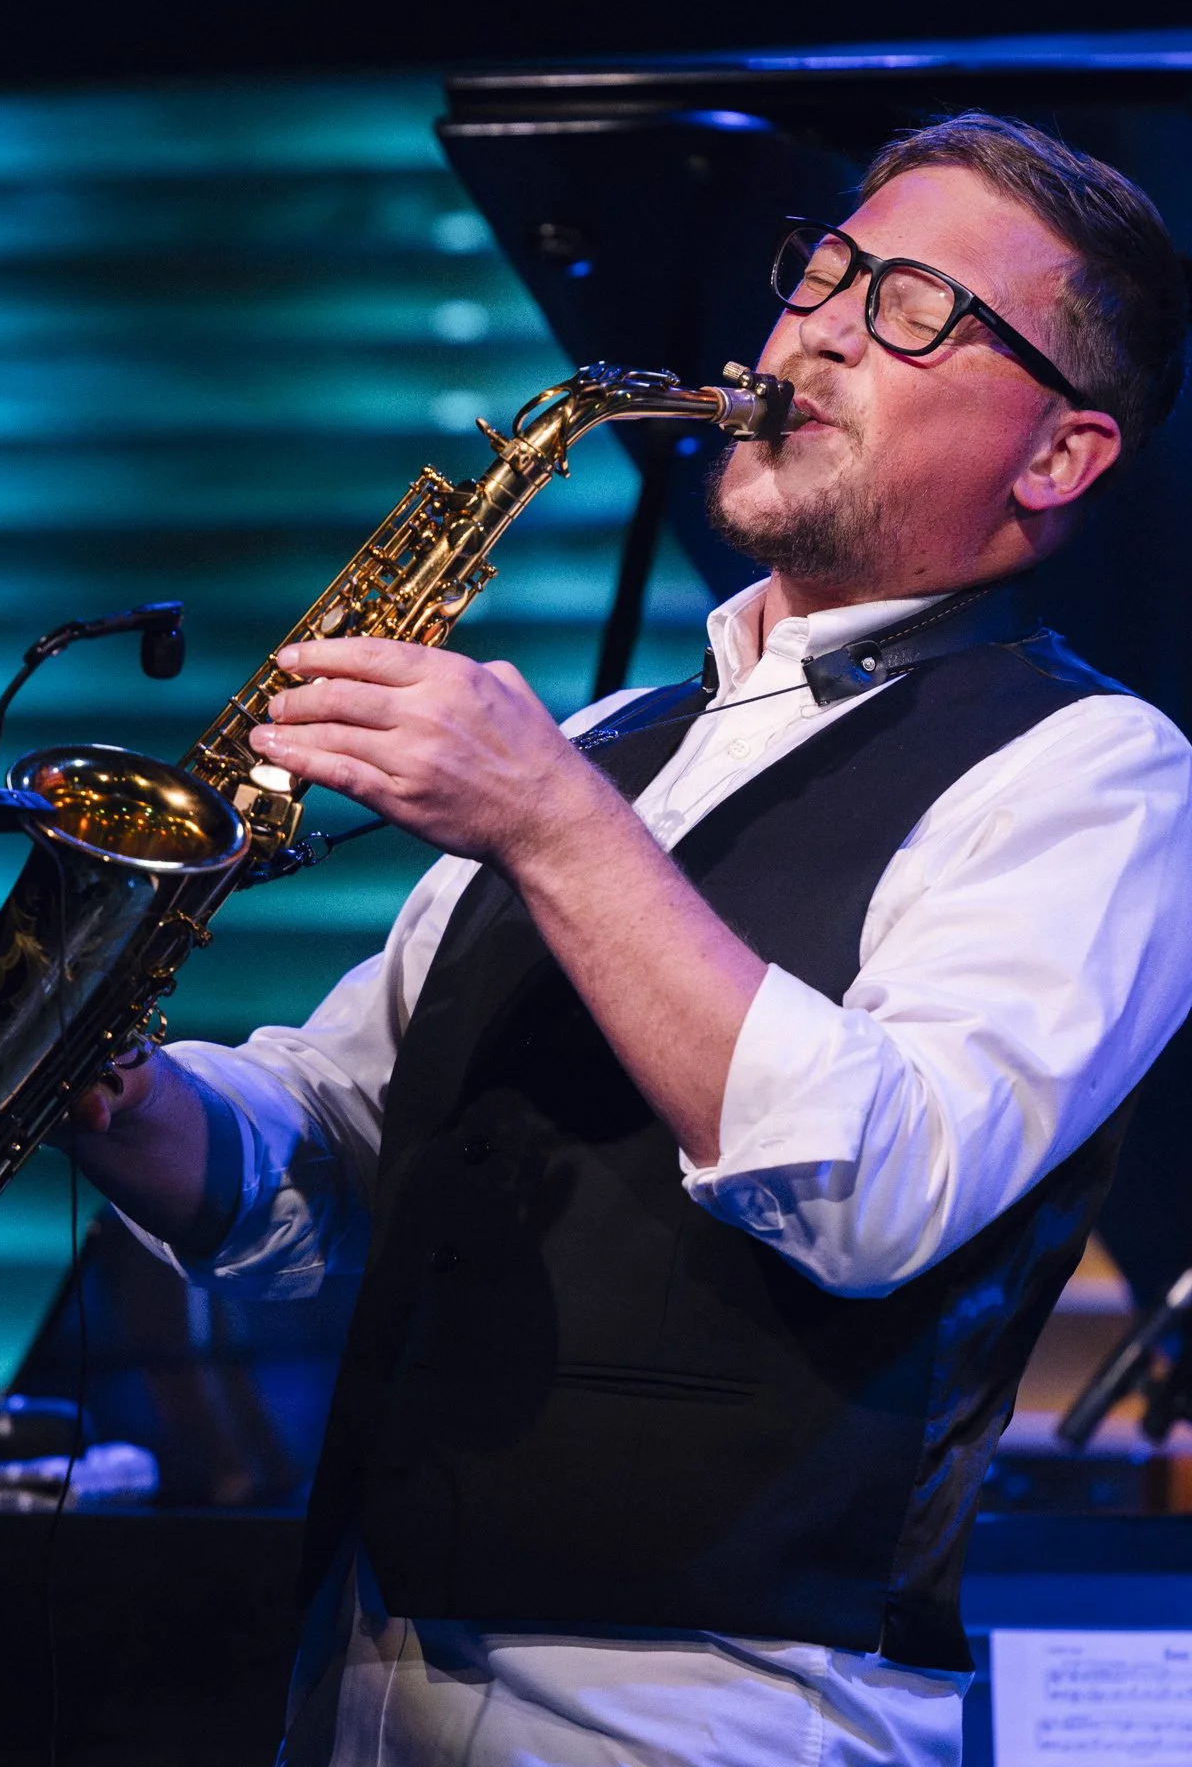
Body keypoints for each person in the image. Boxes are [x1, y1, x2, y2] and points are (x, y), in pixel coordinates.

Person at [68, 113, 1192, 1767]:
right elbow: (342, 1141)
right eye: (821, 269)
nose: (806, 326)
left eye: (905, 305)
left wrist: (548, 819)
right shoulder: (605, 734)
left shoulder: (1098, 773)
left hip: (710, 1709)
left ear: (1056, 457)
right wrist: (120, 1092)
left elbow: (874, 1188)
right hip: (356, 1664)